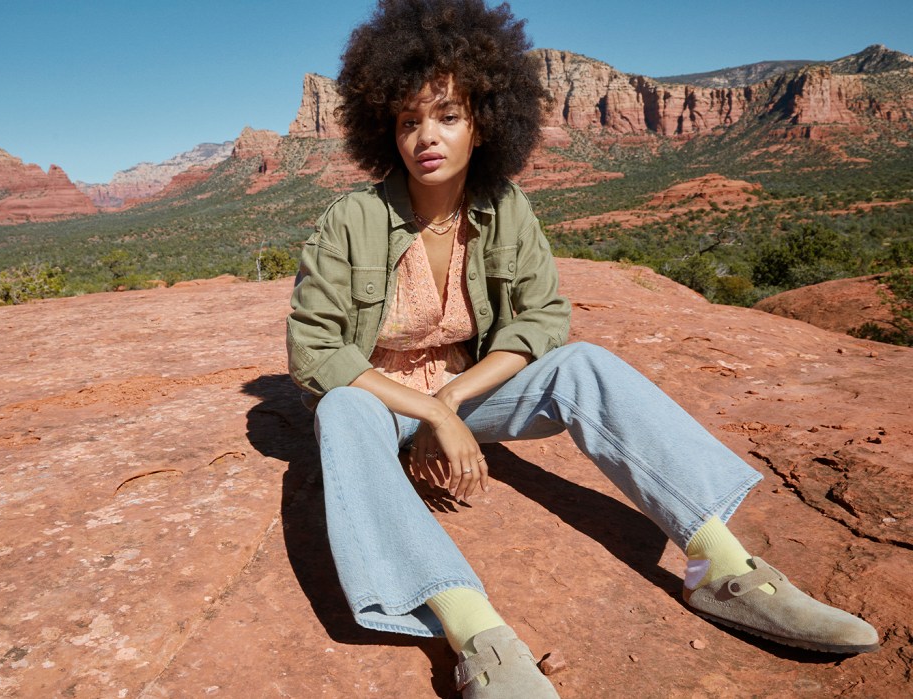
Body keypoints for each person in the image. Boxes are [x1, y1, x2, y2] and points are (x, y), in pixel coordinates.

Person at [286, 1, 879, 696]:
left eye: (447, 115)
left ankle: (719, 568)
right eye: (409, 118)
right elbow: (316, 354)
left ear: (483, 123)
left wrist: (450, 402)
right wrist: (426, 416)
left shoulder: (504, 208)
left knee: (584, 365)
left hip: (467, 394)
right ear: (385, 127)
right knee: (341, 413)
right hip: (380, 407)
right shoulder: (352, 220)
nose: (427, 135)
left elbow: (542, 319)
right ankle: (475, 631)